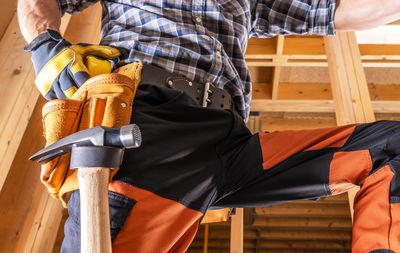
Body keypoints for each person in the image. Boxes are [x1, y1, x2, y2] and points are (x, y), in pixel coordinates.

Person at [17, 0, 400, 252]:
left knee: (389, 148)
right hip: (147, 132)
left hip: (230, 146)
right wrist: (44, 43)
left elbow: (340, 12)